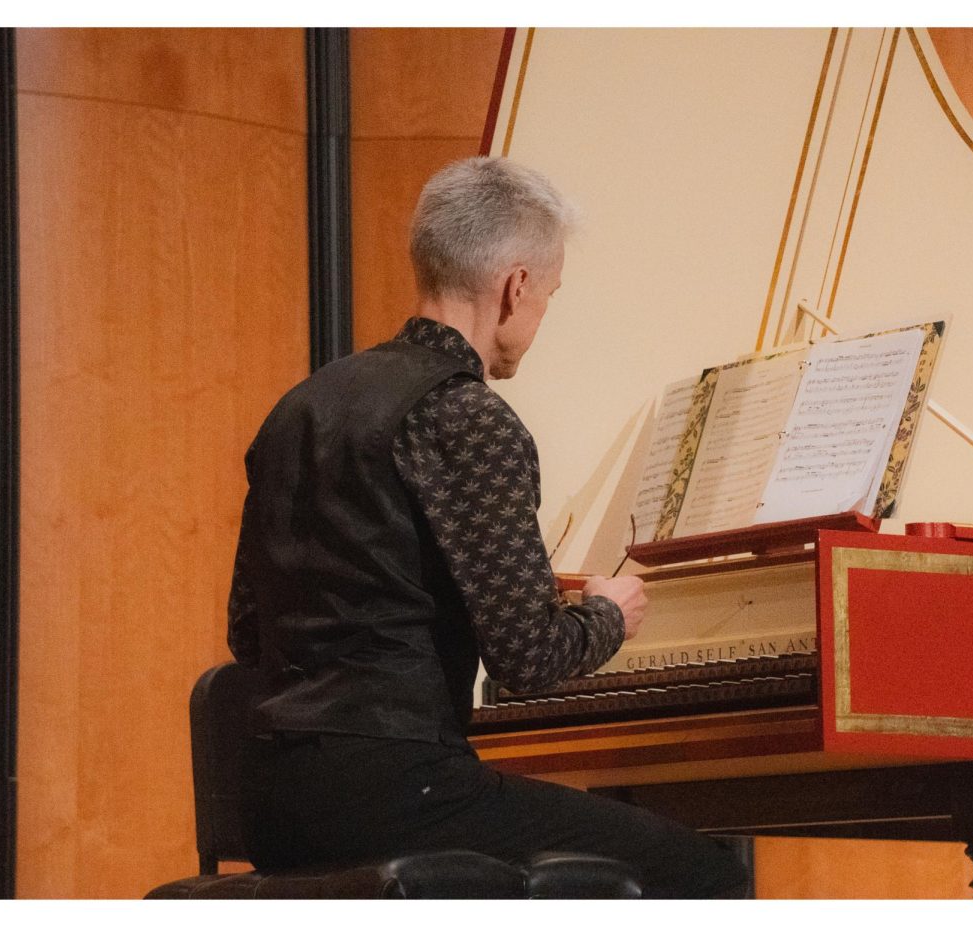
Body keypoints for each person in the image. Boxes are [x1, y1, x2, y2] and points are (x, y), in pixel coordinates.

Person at [226, 156, 748, 899]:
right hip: (401, 793)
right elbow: (526, 657)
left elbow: (248, 631)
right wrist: (609, 614)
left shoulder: (298, 409)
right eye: (550, 295)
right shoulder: (467, 417)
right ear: (516, 285)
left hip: (270, 799)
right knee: (703, 871)